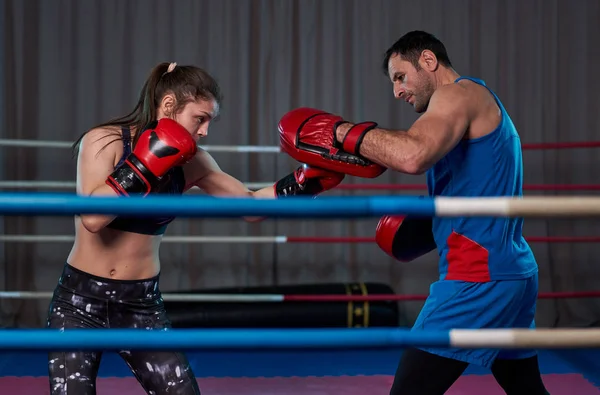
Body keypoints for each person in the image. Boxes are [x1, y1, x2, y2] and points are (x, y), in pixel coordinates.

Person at [46, 61, 344, 395]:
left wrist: (304, 182)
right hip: (78, 302)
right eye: (199, 119)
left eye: (209, 122)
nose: (204, 131)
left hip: (140, 305)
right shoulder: (104, 140)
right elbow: (93, 218)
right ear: (169, 106)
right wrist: (145, 162)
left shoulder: (193, 163)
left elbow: (249, 205)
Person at [276, 31, 549, 394]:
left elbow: (412, 155)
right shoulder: (480, 102)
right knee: (527, 390)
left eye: (400, 76)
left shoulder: (456, 95)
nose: (397, 91)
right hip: (514, 272)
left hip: (477, 280)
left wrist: (340, 131)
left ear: (428, 61)